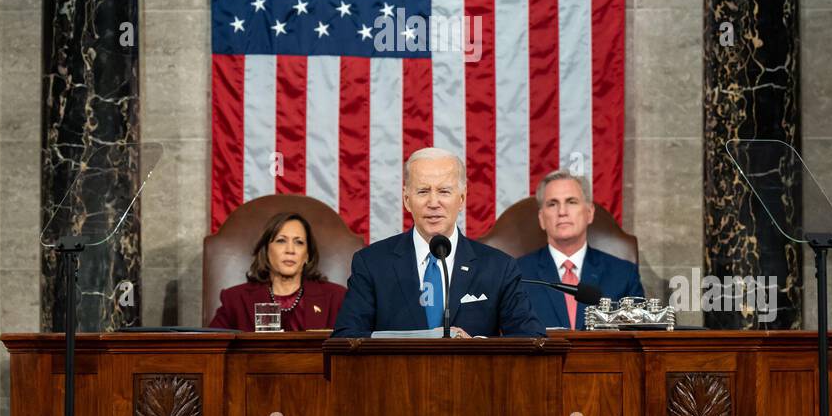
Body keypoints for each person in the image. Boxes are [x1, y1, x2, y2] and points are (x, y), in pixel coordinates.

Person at [333, 147, 544, 338]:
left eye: (444, 191)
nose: (434, 203)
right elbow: (345, 339)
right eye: (423, 191)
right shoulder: (372, 263)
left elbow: (531, 339)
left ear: (461, 199)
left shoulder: (498, 267)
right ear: (407, 200)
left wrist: (478, 347)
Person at [516, 169, 644, 329]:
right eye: (552, 204)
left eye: (571, 202)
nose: (562, 212)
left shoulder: (623, 274)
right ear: (542, 219)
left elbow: (638, 339)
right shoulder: (517, 274)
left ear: (589, 213)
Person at [209, 211, 347, 330]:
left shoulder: (336, 298)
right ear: (266, 250)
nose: (290, 250)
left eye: (299, 242)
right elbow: (211, 350)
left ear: (307, 255)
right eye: (281, 241)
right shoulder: (235, 300)